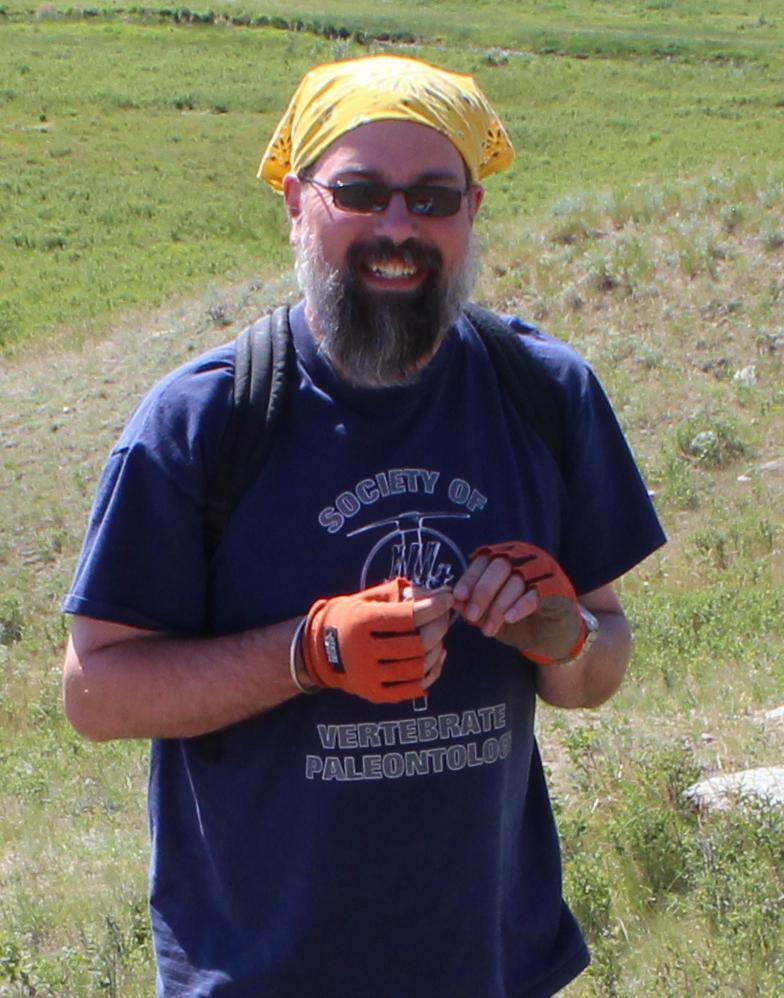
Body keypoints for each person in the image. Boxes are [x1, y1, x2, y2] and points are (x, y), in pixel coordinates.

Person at [62, 54, 666, 997]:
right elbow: (95, 693)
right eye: (360, 192)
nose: (398, 228)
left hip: (493, 969)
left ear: (473, 209)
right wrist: (306, 653)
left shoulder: (545, 394)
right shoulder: (205, 422)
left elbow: (599, 661)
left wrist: (563, 633)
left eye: (432, 198)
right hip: (261, 975)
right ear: (298, 202)